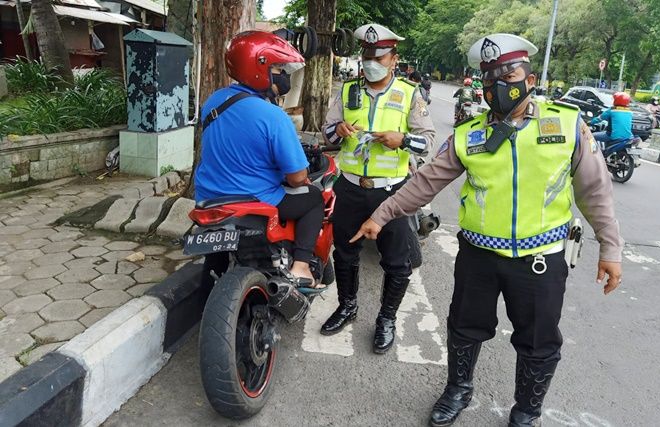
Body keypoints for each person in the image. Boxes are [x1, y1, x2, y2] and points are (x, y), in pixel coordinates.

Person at [351, 33, 623, 426]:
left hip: (540, 260)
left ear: (529, 80)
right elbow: (425, 182)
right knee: (464, 328)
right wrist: (382, 214)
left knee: (538, 341)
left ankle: (527, 410)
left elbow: (595, 192)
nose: (499, 84)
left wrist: (610, 249)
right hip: (478, 256)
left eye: (509, 73)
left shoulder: (565, 125)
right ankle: (458, 389)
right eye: (489, 77)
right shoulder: (469, 134)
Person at [320, 23, 436, 353]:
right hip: (351, 187)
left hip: (393, 193)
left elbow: (428, 142)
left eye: (379, 57)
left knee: (397, 262)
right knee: (344, 252)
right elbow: (325, 132)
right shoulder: (346, 91)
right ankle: (347, 306)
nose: (371, 62)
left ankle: (386, 319)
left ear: (393, 59)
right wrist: (338, 130)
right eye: (367, 56)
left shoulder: (411, 94)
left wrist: (402, 140)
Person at [194, 30, 325, 291]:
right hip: (254, 199)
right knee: (313, 199)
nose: (283, 75)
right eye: (278, 68)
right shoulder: (273, 116)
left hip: (207, 198)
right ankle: (301, 266)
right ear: (259, 67)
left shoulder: (213, 101)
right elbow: (297, 177)